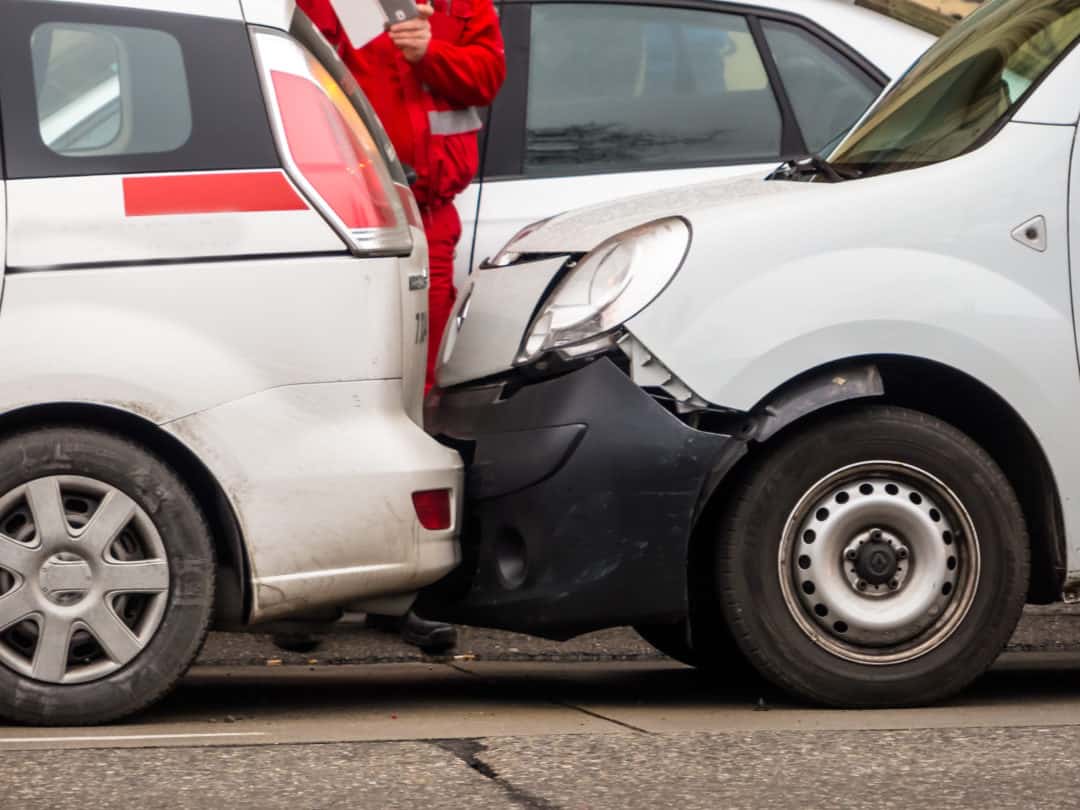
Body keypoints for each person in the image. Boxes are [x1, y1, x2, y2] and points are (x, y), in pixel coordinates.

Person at [294, 0, 506, 654]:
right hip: (346, 218)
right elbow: (300, 82)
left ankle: (402, 594)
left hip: (429, 219)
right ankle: (313, 593)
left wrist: (429, 53)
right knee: (330, 401)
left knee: (417, 406)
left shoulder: (461, 7)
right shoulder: (331, 5)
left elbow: (488, 78)